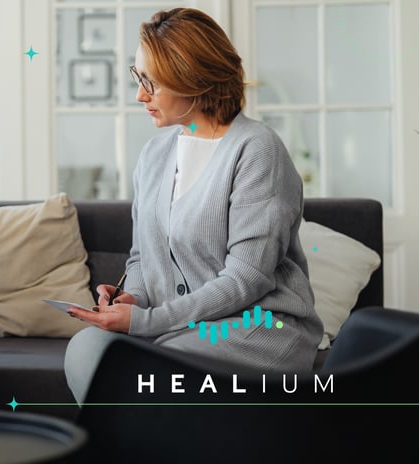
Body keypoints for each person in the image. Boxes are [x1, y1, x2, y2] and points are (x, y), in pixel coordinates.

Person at [64, 8, 324, 403]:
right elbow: (141, 258)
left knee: (157, 365)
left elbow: (246, 279)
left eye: (151, 82)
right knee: (86, 348)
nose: (140, 95)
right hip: (178, 328)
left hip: (252, 327)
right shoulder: (153, 155)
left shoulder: (257, 150)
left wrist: (146, 321)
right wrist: (134, 298)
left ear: (193, 79)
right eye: (138, 78)